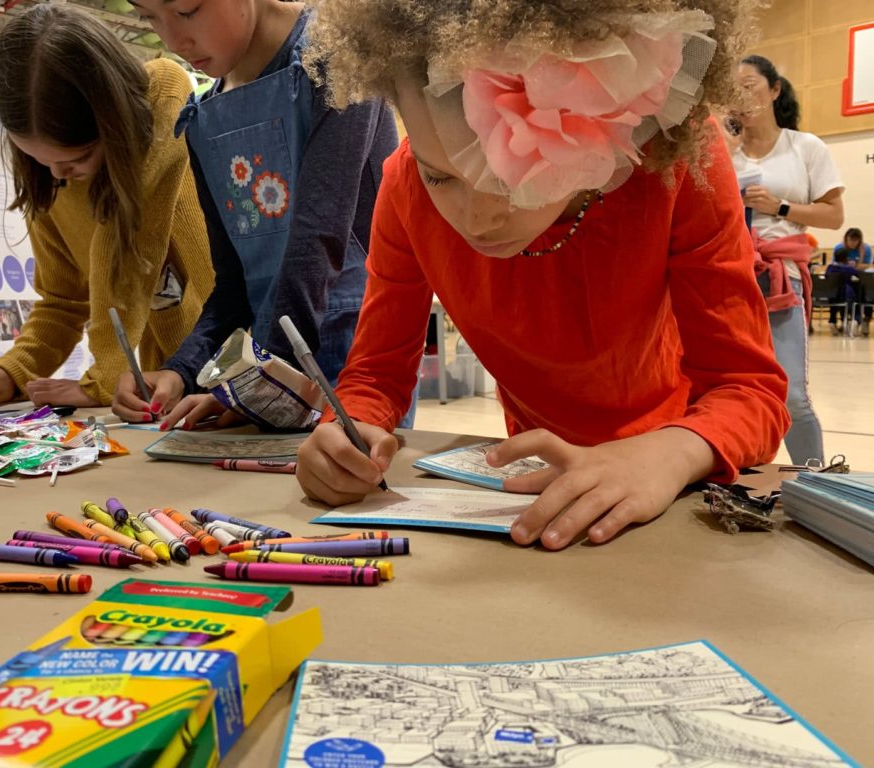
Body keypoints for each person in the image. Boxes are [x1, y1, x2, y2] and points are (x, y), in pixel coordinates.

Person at [294, 0, 791, 550]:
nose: (476, 220)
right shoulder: (403, 187)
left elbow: (748, 390)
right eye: (441, 177)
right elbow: (375, 376)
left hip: (677, 484)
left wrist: (670, 452)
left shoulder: (678, 165)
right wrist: (349, 430)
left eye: (511, 174)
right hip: (537, 497)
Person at [111, 0, 402, 430]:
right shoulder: (201, 116)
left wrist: (258, 384)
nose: (173, 39)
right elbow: (232, 288)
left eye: (188, 10)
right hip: (264, 361)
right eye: (149, 18)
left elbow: (316, 241)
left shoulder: (340, 59)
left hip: (357, 363)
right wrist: (182, 370)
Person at [0, 4, 214, 408]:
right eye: (39, 158)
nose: (59, 172)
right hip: (163, 391)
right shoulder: (52, 178)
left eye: (76, 159)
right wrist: (10, 370)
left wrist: (103, 380)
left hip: (232, 365)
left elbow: (129, 246)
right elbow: (62, 301)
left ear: (114, 123)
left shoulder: (163, 106)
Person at [729, 55, 844, 466]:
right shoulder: (723, 152)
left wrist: (780, 207)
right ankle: (734, 480)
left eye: (750, 85)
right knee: (726, 389)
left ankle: (818, 485)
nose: (741, 97)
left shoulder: (804, 146)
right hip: (727, 280)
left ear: (775, 89)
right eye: (733, 90)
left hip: (781, 279)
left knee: (792, 392)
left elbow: (834, 216)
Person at [824, 249, 864, 336]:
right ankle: (855, 320)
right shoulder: (849, 269)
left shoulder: (830, 268)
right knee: (856, 301)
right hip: (846, 294)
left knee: (834, 302)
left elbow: (826, 277)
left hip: (832, 295)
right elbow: (858, 277)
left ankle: (832, 321)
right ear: (846, 258)